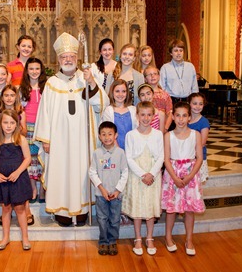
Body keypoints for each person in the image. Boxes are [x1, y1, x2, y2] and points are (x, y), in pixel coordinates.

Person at [34, 32, 109, 227]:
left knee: (81, 171)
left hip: (82, 139)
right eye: (64, 57)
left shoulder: (84, 79)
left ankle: (82, 210)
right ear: (58, 59)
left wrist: (91, 82)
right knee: (61, 172)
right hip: (58, 140)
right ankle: (62, 212)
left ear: (77, 59)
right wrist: (45, 139)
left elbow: (101, 104)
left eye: (72, 57)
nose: (68, 60)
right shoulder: (52, 83)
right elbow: (45, 113)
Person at [161, 102, 205, 256]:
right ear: (172, 117)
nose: (180, 119)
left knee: (189, 210)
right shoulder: (168, 136)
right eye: (177, 115)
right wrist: (174, 177)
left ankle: (189, 239)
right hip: (172, 174)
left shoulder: (196, 135)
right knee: (171, 210)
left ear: (189, 117)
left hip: (190, 175)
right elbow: (166, 159)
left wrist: (189, 177)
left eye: (184, 116)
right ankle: (168, 237)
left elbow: (199, 158)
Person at [122, 101, 164, 256]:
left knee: (151, 207)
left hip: (153, 176)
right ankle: (138, 238)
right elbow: (129, 158)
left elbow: (161, 156)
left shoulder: (158, 134)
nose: (146, 118)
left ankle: (150, 237)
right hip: (137, 176)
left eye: (149, 115)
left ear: (153, 116)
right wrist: (142, 174)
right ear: (137, 116)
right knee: (138, 207)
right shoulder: (131, 135)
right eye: (142, 115)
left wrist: (151, 173)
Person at [0, 109, 32, 251]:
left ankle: (25, 238)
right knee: (5, 208)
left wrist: (18, 172)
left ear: (17, 124)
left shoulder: (21, 139)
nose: (8, 125)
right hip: (3, 179)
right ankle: (5, 237)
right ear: (0, 124)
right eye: (5, 122)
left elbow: (28, 159)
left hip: (18, 178)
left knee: (20, 209)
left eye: (12, 123)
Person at [89, 121, 128, 256]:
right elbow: (92, 172)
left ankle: (112, 241)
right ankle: (103, 242)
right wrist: (102, 189)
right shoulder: (97, 153)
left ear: (115, 135)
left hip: (116, 195)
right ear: (99, 136)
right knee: (102, 218)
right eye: (104, 134)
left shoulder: (120, 153)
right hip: (101, 195)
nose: (107, 137)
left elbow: (125, 172)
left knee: (115, 218)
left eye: (110, 134)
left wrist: (117, 190)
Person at [0, 85, 31, 226]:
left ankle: (25, 210)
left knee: (20, 186)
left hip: (17, 150)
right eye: (6, 95)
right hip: (4, 150)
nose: (9, 98)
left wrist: (16, 129)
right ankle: (6, 213)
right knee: (5, 191)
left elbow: (25, 132)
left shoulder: (20, 112)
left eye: (12, 95)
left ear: (16, 97)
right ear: (2, 97)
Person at [20, 57, 47, 204]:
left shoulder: (47, 88)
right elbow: (19, 109)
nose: (34, 71)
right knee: (30, 159)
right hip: (28, 126)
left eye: (37, 69)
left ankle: (43, 188)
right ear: (27, 71)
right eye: (31, 69)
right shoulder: (22, 89)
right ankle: (33, 189)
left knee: (42, 158)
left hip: (42, 126)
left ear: (41, 70)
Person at [160, 39, 199, 106]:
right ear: (171, 53)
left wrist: (195, 102)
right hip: (171, 101)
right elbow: (161, 88)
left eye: (181, 50)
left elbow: (194, 87)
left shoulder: (190, 66)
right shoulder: (165, 68)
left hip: (187, 101)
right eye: (175, 50)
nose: (178, 53)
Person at [102, 79, 138, 150]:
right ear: (112, 92)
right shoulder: (108, 110)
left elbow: (137, 131)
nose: (120, 94)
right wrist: (119, 151)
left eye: (123, 91)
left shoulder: (133, 110)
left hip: (132, 149)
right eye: (117, 91)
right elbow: (107, 132)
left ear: (127, 93)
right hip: (114, 150)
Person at [188, 93, 210, 183]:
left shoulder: (204, 122)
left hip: (197, 157)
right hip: (185, 156)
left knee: (196, 184)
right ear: (189, 103)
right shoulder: (185, 119)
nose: (197, 106)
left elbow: (203, 142)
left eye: (200, 104)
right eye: (195, 103)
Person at [144, 65, 173, 132]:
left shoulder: (165, 95)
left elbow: (170, 113)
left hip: (162, 128)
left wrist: (165, 128)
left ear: (159, 76)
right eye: (149, 74)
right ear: (145, 78)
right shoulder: (144, 94)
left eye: (155, 74)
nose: (152, 76)